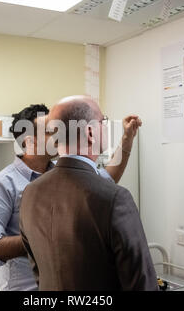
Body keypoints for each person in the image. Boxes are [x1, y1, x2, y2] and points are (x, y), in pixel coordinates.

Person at [0, 103, 140, 290]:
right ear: (30, 142)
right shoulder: (3, 184)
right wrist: (39, 237)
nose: (58, 134)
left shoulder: (65, 173)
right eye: (50, 130)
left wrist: (127, 139)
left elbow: (106, 181)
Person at [19, 96, 158, 291]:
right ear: (90, 132)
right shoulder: (116, 199)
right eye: (103, 122)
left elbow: (39, 273)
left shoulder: (30, 192)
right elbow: (142, 285)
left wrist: (127, 139)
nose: (105, 127)